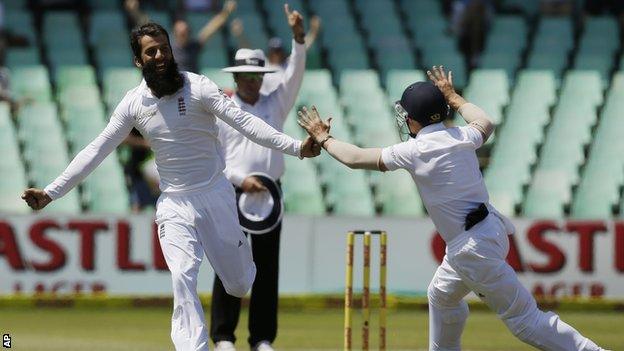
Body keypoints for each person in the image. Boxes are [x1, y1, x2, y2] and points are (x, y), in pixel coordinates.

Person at [21, 21, 320, 351]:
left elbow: (247, 124)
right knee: (182, 276)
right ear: (139, 61)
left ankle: (240, 275)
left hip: (216, 195)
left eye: (164, 47)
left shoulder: (199, 87)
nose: (161, 54)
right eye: (151, 51)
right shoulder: (134, 103)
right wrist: (51, 191)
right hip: (174, 202)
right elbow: (97, 149)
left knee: (238, 285)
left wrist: (296, 147)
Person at [297, 66, 608, 351]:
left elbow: (353, 159)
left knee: (524, 320)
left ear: (413, 118)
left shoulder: (416, 149)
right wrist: (453, 96)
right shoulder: (462, 135)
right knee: (441, 296)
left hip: (471, 247)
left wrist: (324, 137)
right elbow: (486, 121)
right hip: (489, 231)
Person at [210, 5, 306, 351]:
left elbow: (294, 74)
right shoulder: (222, 108)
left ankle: (262, 338)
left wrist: (298, 40)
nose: (253, 81)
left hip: (269, 194)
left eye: (257, 76)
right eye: (247, 76)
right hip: (233, 191)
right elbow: (215, 158)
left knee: (267, 267)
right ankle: (223, 337)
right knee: (229, 264)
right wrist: (239, 178)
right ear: (236, 78)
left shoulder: (274, 104)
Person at [125, 0, 237, 73]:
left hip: (190, 86)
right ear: (174, 32)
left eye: (186, 31)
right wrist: (135, 11)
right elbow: (146, 24)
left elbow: (210, 29)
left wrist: (226, 12)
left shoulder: (194, 46)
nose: (184, 34)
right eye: (180, 32)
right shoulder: (166, 47)